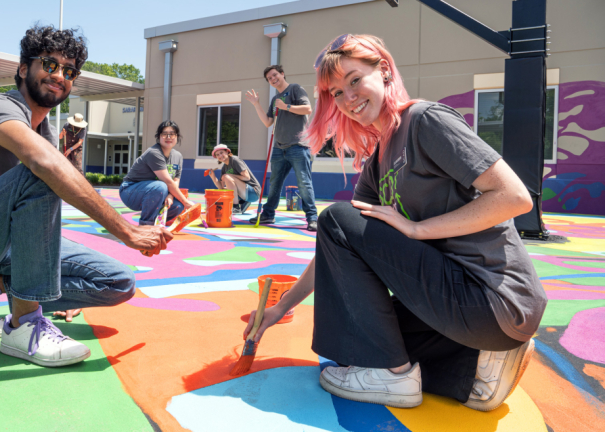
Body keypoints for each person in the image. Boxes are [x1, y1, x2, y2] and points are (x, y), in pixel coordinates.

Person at [244, 34, 547, 411]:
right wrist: (281, 306)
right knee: (354, 344)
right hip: (476, 312)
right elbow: (338, 247)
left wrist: (419, 230)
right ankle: (475, 372)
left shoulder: (424, 121)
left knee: (335, 218)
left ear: (384, 71)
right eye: (336, 93)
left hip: (491, 296)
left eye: (354, 80)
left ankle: (394, 375)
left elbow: (514, 197)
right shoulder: (378, 161)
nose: (347, 98)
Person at [0, 25, 172, 368]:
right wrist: (127, 230)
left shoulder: (44, 132)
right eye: (49, 64)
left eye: (69, 71)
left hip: (0, 249)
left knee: (119, 282)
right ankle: (23, 327)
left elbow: (48, 180)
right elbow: (43, 165)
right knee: (44, 170)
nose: (59, 75)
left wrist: (69, 158)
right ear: (22, 69)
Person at [245, 65, 318, 231]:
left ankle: (312, 218)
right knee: (275, 183)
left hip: (298, 146)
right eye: (269, 78)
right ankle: (268, 214)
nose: (273, 79)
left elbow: (308, 109)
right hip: (279, 148)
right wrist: (256, 104)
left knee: (304, 183)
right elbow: (268, 122)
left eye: (275, 75)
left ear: (282, 74)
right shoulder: (275, 99)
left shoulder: (295, 89)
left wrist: (286, 107)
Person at [119, 121, 194, 226]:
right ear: (159, 136)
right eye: (164, 133)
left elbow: (175, 180)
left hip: (157, 191)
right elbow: (167, 181)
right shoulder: (154, 153)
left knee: (178, 206)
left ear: (177, 137)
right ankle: (146, 226)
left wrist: (171, 196)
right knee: (161, 186)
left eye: (172, 134)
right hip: (130, 191)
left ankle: (155, 223)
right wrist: (186, 202)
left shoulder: (178, 156)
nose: (168, 137)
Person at [207, 144, 261, 214]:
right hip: (244, 192)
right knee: (224, 189)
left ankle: (236, 207)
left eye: (221, 153)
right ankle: (243, 202)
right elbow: (221, 187)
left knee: (226, 177)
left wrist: (230, 176)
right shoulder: (224, 167)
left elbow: (247, 177)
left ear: (227, 152)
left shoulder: (234, 160)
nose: (220, 156)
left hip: (254, 191)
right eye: (217, 155)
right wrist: (213, 177)